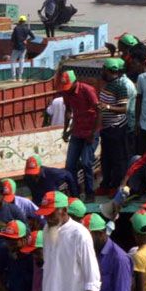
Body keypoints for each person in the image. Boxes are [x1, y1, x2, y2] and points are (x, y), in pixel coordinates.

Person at [59, 70, 100, 202]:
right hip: (77, 131)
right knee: (70, 164)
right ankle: (75, 194)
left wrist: (93, 133)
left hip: (90, 130)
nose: (67, 90)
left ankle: (90, 193)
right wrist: (66, 130)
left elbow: (99, 111)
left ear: (75, 82)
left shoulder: (87, 90)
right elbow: (68, 110)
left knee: (87, 162)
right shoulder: (67, 92)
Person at [96, 57, 135, 194]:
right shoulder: (108, 84)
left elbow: (123, 108)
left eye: (103, 69)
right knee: (105, 158)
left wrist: (106, 106)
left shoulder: (120, 86)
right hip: (107, 129)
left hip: (117, 128)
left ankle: (116, 186)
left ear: (108, 70)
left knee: (118, 159)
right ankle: (106, 184)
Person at [10, 16, 34, 81]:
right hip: (23, 47)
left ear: (19, 21)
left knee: (13, 61)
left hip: (16, 47)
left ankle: (13, 77)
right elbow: (33, 37)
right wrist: (27, 41)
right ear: (25, 21)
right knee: (21, 62)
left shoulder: (16, 28)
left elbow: (12, 39)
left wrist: (16, 42)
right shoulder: (27, 29)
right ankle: (20, 77)